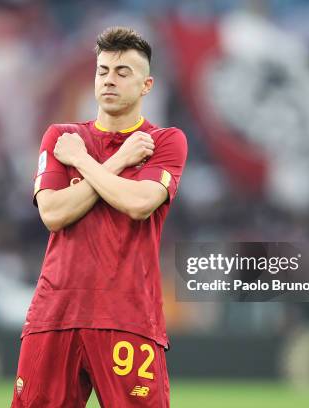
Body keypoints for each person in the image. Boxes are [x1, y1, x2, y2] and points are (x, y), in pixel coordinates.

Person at [11, 26, 188, 407]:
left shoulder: (165, 141)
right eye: (102, 70)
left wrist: (83, 162)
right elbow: (53, 213)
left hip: (128, 316)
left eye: (123, 72)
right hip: (55, 312)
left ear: (146, 85)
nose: (110, 79)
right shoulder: (62, 137)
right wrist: (118, 160)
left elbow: (139, 203)